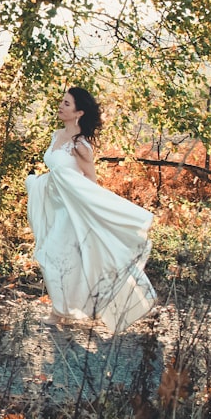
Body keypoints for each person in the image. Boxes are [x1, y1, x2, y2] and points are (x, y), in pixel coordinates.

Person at [25, 87, 156, 333]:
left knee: (50, 254)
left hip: (72, 211)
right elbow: (56, 171)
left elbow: (91, 182)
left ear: (79, 112)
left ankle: (61, 312)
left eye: (67, 104)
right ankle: (67, 309)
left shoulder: (81, 146)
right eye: (62, 102)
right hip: (56, 205)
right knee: (65, 259)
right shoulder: (57, 136)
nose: (61, 106)